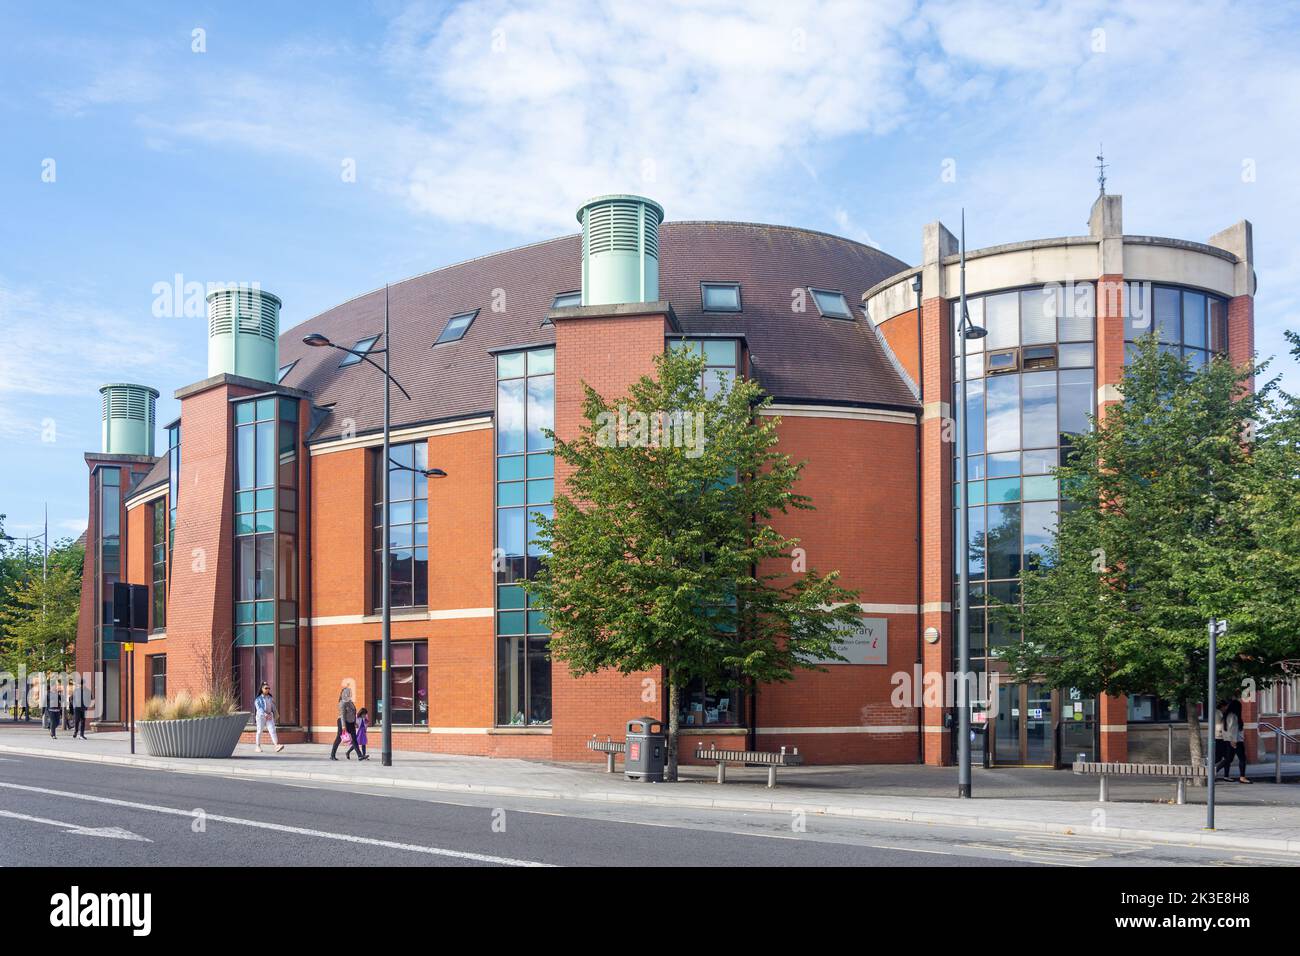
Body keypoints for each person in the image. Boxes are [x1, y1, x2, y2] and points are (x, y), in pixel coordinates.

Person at [253, 682, 284, 753]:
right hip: (261, 717)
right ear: (262, 689)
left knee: (272, 730)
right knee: (259, 731)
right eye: (266, 688)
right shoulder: (258, 699)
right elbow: (259, 708)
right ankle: (257, 746)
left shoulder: (270, 698)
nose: (268, 689)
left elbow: (273, 707)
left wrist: (273, 713)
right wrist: (265, 714)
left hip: (270, 716)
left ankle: (276, 745)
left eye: (269, 688)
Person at [330, 686, 358, 761]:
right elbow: (342, 715)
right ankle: (332, 755)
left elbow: (353, 712)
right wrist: (343, 726)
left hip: (350, 721)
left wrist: (355, 722)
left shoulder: (350, 702)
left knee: (353, 738)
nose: (349, 693)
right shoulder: (342, 702)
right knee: (339, 738)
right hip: (342, 721)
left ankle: (360, 755)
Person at [1227, 698, 1251, 784]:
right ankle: (1242, 777)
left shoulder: (1229, 715)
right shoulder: (1234, 716)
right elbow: (1233, 729)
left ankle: (1214, 773)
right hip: (1237, 741)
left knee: (1228, 759)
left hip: (1232, 740)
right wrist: (1234, 741)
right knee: (1242, 759)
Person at [1213, 700, 1233, 780]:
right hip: (1220, 738)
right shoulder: (1218, 713)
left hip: (1222, 737)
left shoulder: (1220, 713)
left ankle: (1226, 775)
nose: (1227, 708)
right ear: (1222, 706)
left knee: (1226, 757)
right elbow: (1219, 726)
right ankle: (1211, 770)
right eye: (1226, 706)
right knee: (1221, 758)